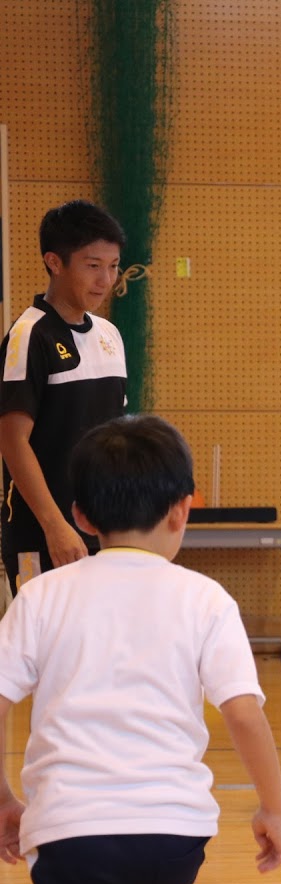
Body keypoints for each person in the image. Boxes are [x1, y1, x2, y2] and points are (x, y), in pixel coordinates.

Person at [0, 414, 281, 884]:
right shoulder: (205, 598)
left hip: (75, 837)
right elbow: (243, 713)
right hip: (173, 842)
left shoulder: (44, 596)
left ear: (80, 514)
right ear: (183, 511)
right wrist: (272, 807)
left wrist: (4, 797)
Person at [0, 200, 129, 594]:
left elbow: (118, 438)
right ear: (55, 262)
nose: (105, 280)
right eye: (93, 266)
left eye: (113, 265)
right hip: (44, 538)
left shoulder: (110, 335)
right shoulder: (28, 337)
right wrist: (55, 526)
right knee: (47, 654)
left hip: (104, 534)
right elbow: (11, 440)